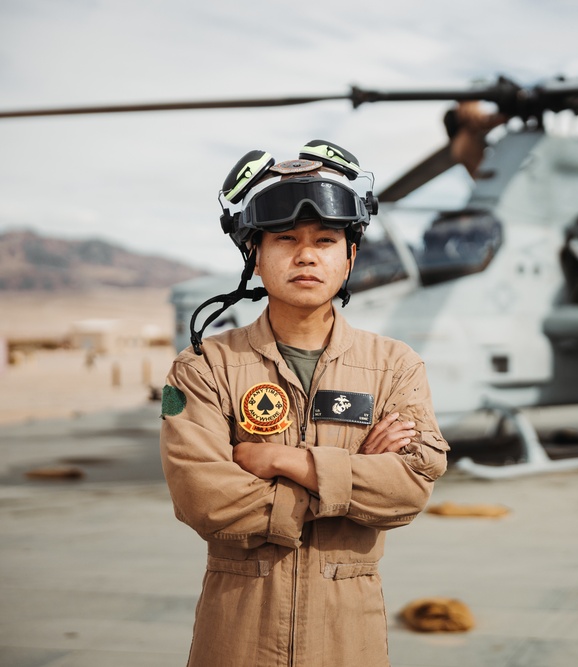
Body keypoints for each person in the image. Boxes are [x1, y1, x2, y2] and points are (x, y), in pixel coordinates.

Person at [159, 140, 449, 666]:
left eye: (325, 239)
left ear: (350, 255)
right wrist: (352, 478)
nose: (307, 254)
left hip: (348, 636)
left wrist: (285, 461)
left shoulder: (394, 366)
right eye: (285, 238)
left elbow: (408, 489)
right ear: (255, 254)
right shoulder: (203, 367)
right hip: (238, 633)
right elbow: (203, 498)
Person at [444, 100, 507, 178]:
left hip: (484, 182)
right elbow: (483, 121)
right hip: (493, 175)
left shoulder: (456, 147)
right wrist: (504, 116)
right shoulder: (465, 137)